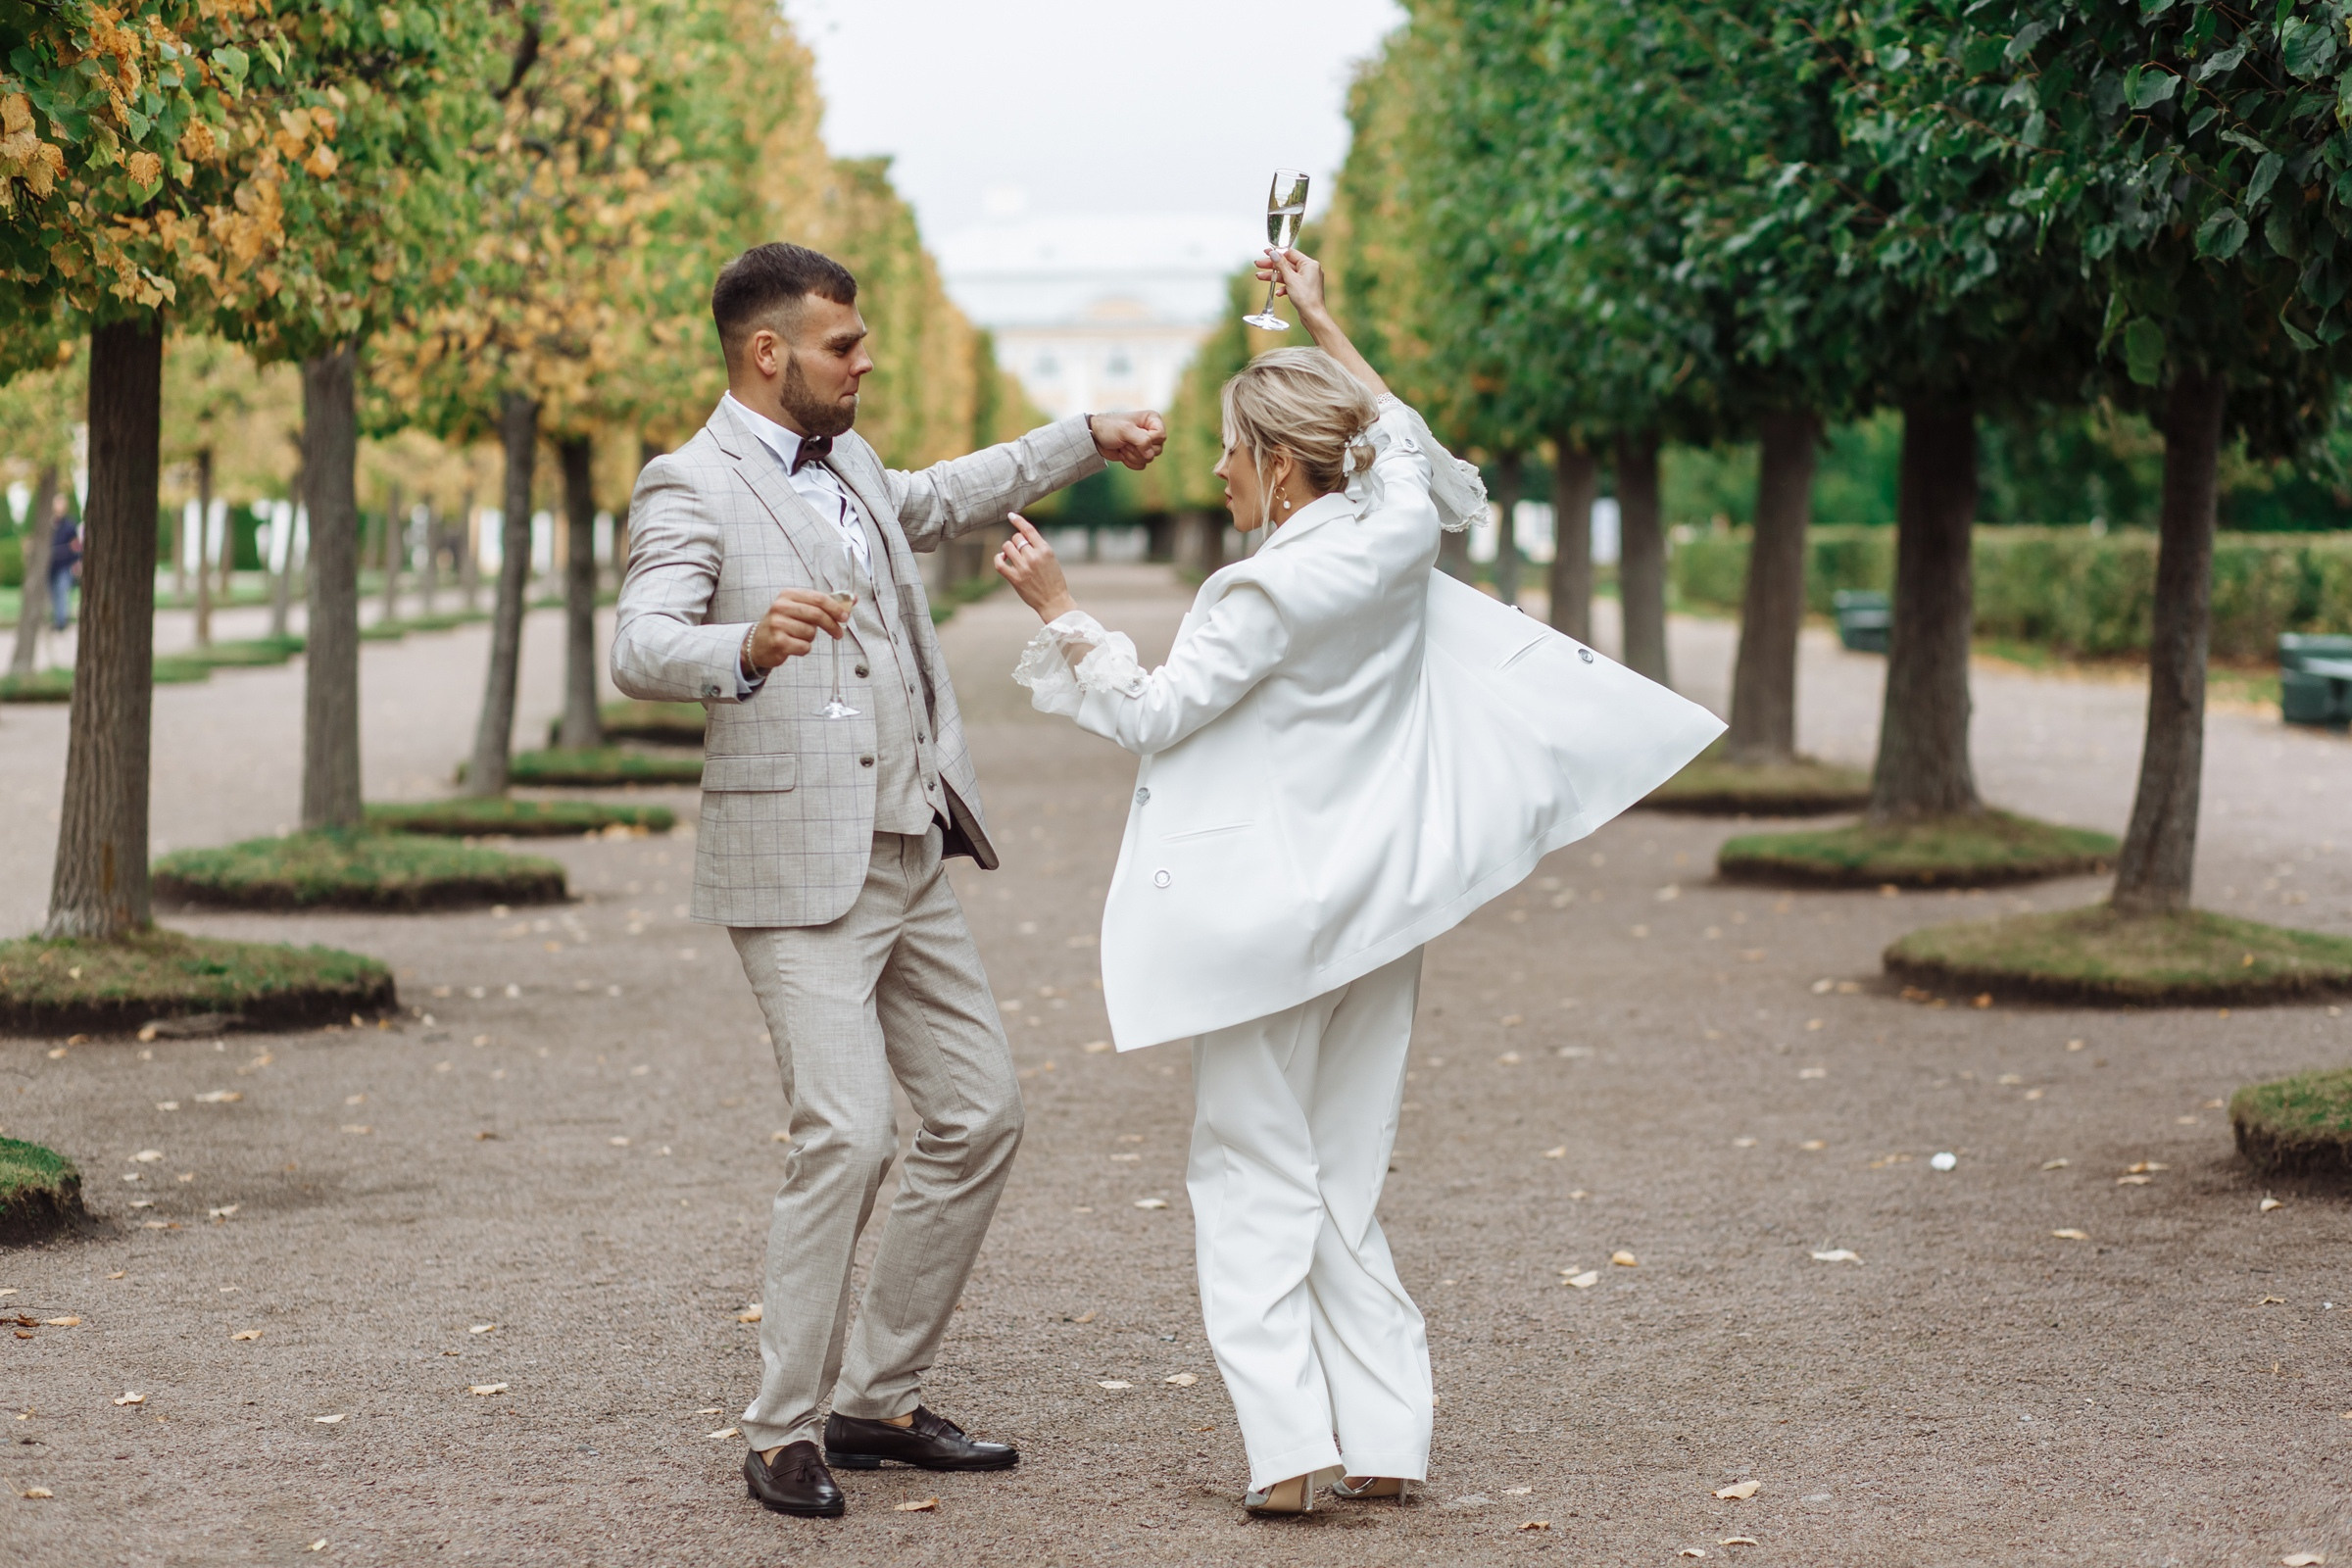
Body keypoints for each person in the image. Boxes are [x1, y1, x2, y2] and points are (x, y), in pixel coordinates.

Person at [994, 247, 1723, 1516]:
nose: (1219, 470)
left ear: (1279, 466)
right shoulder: (1392, 536)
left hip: (1264, 925)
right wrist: (1323, 316)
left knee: (1245, 1172)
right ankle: (1387, 1432)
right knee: (1345, 1170)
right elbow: (1408, 446)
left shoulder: (1257, 590)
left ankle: (1287, 1448)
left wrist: (1061, 606)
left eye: (1233, 450)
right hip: (1381, 911)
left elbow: (1154, 715)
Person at [609, 241, 1167, 1520]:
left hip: (908, 853)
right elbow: (638, 643)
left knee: (980, 1114)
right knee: (850, 1132)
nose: (866, 362)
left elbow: (949, 493)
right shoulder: (688, 484)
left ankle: (876, 1401)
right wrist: (741, 642)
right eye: (844, 346)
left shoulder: (852, 461)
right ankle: (783, 1429)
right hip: (797, 873)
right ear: (770, 353)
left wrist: (1084, 432)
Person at [47, 498, 77, 632]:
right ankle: (58, 619)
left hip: (64, 565)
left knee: (62, 591)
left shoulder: (69, 526)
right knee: (54, 593)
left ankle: (61, 622)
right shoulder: (50, 524)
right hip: (51, 566)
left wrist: (77, 561)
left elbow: (76, 545)